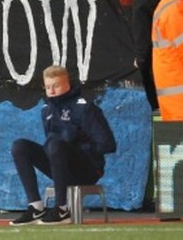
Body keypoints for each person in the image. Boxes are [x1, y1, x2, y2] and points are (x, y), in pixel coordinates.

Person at [10, 65, 117, 225]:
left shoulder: (84, 107)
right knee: (19, 146)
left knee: (55, 145)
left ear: (67, 84)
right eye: (48, 87)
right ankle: (36, 207)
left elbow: (108, 145)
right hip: (60, 165)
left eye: (56, 86)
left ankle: (61, 209)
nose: (51, 91)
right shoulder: (46, 110)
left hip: (88, 168)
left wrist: (75, 148)